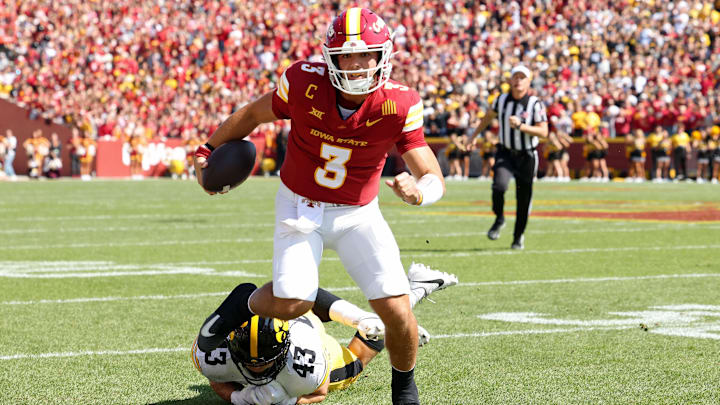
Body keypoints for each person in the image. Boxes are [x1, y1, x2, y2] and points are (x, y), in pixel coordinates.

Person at [193, 8, 446, 405]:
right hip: (299, 208)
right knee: (293, 301)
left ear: (383, 56)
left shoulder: (399, 103)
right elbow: (255, 114)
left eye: (366, 55)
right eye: (347, 55)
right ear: (332, 58)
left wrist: (420, 191)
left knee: (396, 311)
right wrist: (208, 149)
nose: (358, 64)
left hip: (358, 214)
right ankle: (243, 300)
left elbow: (429, 171)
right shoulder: (303, 82)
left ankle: (405, 390)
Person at [192, 263, 457, 405]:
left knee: (354, 363)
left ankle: (415, 293)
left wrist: (292, 400)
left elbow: (319, 392)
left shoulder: (306, 361)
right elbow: (216, 379)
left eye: (264, 364)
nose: (257, 371)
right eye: (249, 364)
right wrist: (236, 397)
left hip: (307, 330)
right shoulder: (213, 354)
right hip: (286, 316)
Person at [467, 65, 548, 250]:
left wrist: (521, 126)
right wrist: (473, 136)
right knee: (499, 186)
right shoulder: (501, 99)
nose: (518, 80)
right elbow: (487, 117)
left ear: (529, 82)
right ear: (511, 80)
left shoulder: (535, 103)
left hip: (527, 155)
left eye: (522, 77)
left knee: (523, 198)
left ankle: (518, 236)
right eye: (516, 77)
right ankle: (500, 217)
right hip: (506, 151)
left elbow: (544, 132)